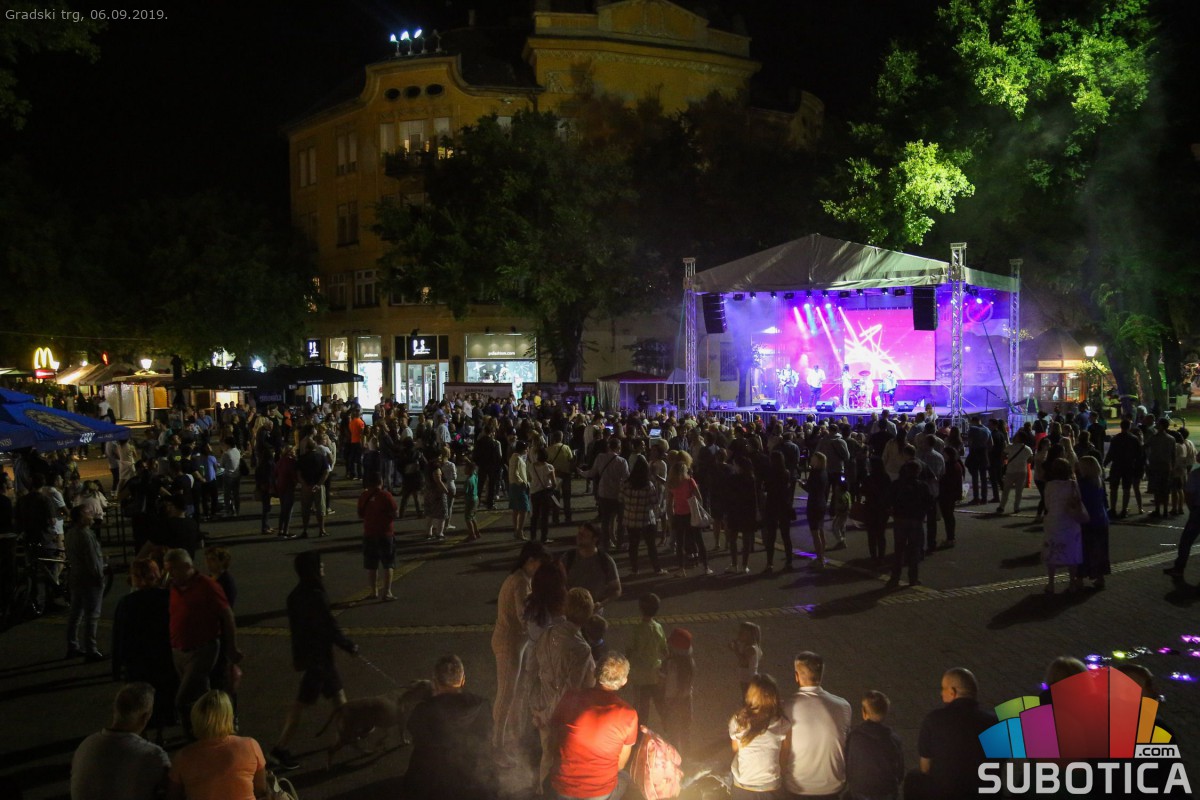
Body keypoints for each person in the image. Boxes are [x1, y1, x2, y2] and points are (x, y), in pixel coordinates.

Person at [272, 551, 358, 770]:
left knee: (339, 697)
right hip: (319, 660)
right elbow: (329, 626)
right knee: (301, 704)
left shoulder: (295, 595)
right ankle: (280, 748)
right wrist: (348, 645)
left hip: (312, 657)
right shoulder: (316, 595)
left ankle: (349, 733)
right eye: (320, 565)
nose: (323, 568)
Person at [163, 548, 241, 738]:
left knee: (182, 699)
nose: (169, 575)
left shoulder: (208, 586)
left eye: (173, 570)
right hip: (179, 650)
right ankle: (214, 728)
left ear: (186, 566)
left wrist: (231, 647)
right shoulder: (174, 586)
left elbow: (227, 615)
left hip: (202, 649)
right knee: (202, 694)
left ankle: (193, 736)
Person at [530, 587, 597, 791]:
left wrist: (538, 708)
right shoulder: (581, 649)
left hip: (543, 703)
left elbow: (533, 670)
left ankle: (543, 791)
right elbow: (572, 688)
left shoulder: (548, 633)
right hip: (565, 714)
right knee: (565, 762)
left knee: (547, 756)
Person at [404, 655, 497, 800]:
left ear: (435, 683)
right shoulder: (482, 704)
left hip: (433, 783)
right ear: (463, 680)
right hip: (472, 779)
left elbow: (415, 734)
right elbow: (487, 734)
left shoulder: (424, 710)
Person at [549, 653, 638, 800]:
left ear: (595, 672)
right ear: (624, 681)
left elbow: (553, 740)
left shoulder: (570, 697)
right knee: (626, 777)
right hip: (598, 792)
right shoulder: (628, 714)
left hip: (562, 786)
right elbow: (620, 765)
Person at [112, 559, 177, 742]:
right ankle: (160, 734)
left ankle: (143, 734)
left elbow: (119, 636)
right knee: (162, 696)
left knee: (139, 699)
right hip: (163, 657)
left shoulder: (127, 603)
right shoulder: (167, 598)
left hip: (137, 661)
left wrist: (117, 666)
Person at [70, 682, 170, 800]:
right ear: (145, 717)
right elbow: (175, 790)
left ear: (115, 710)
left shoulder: (86, 745)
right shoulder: (153, 754)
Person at [492, 541, 548, 747]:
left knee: (513, 692)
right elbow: (524, 616)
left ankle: (510, 735)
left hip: (514, 643)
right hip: (509, 643)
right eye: (540, 564)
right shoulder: (520, 582)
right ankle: (498, 741)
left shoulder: (521, 578)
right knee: (506, 692)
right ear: (531, 561)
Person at [167, 689, 267, 800]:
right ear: (229, 717)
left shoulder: (183, 757)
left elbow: (172, 796)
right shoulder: (250, 745)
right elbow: (261, 790)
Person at [914, 668, 997, 800]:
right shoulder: (995, 722)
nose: (941, 693)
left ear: (952, 692)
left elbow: (925, 768)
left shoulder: (933, 720)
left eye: (943, 688)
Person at [780, 651, 851, 800]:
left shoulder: (786, 707)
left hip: (797, 787)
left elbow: (783, 749)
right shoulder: (843, 706)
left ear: (797, 676)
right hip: (832, 788)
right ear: (821, 675)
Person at [729, 673, 788, 799]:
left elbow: (735, 750)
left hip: (743, 787)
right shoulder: (781, 723)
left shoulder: (738, 721)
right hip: (770, 787)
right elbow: (784, 756)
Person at [844, 691, 904, 800]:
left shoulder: (854, 736)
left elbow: (847, 764)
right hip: (886, 792)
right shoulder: (893, 739)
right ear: (886, 712)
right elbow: (900, 773)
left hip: (860, 792)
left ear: (864, 712)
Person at [65, 505, 106, 661]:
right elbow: (92, 560)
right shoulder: (86, 535)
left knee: (76, 613)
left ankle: (72, 646)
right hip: (89, 579)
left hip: (76, 576)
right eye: (88, 513)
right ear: (81, 518)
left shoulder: (70, 533)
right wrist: (100, 577)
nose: (92, 515)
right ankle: (91, 649)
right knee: (92, 615)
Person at [1042, 458, 1086, 594]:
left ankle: (1051, 583)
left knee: (1052, 550)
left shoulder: (1049, 485)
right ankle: (1072, 582)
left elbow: (1047, 504)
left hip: (1054, 521)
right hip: (1070, 520)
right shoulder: (1073, 484)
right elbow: (1078, 500)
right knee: (1072, 550)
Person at [886, 459, 932, 589]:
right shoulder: (922, 486)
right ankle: (913, 578)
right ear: (918, 472)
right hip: (915, 520)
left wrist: (893, 511)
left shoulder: (897, 484)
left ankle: (895, 577)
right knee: (914, 550)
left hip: (900, 519)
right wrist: (922, 513)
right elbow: (929, 503)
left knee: (899, 549)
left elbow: (889, 500)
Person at [626, 593, 667, 725]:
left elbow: (630, 649)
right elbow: (664, 649)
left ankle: (640, 731)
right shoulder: (658, 628)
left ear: (640, 609)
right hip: (655, 673)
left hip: (640, 675)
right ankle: (669, 726)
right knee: (660, 703)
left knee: (642, 706)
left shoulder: (637, 629)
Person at [621, 455, 665, 575]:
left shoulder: (626, 484)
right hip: (646, 518)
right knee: (651, 545)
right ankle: (657, 568)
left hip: (630, 518)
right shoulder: (648, 485)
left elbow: (621, 498)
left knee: (633, 545)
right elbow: (654, 502)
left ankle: (635, 569)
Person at [565, 522, 621, 615]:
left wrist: (601, 604)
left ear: (595, 539)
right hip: (570, 613)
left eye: (584, 535)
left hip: (593, 612)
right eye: (579, 533)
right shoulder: (568, 557)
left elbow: (616, 590)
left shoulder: (605, 561)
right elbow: (558, 583)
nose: (579, 537)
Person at [357, 471, 398, 599]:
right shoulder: (385, 495)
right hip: (385, 533)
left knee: (371, 565)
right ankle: (387, 592)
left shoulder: (364, 495)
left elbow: (360, 514)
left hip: (369, 533)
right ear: (381, 481)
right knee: (388, 563)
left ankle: (373, 591)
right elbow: (395, 513)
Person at [667, 459, 710, 577]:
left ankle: (681, 569)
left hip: (678, 515)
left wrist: (671, 517)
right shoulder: (690, 481)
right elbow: (699, 498)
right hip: (691, 514)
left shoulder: (672, 484)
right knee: (699, 541)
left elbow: (669, 504)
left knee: (680, 543)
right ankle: (706, 567)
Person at [1077, 455, 1110, 590]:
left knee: (1084, 549)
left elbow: (1079, 501)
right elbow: (1104, 501)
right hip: (1101, 519)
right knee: (1100, 550)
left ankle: (1080, 578)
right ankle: (1100, 577)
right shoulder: (1099, 481)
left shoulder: (1082, 483)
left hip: (1087, 520)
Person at [1164, 458, 1200, 580]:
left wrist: (1192, 508)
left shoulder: (1196, 474)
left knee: (1186, 541)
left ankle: (1179, 568)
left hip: (1198, 511)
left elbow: (1189, 493)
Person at [662, 627, 695, 758]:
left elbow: (662, 680)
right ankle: (687, 757)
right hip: (686, 700)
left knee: (673, 731)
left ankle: (674, 758)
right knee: (685, 730)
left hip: (672, 700)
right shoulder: (690, 662)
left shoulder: (670, 663)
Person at [297, 439, 331, 538]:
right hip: (318, 486)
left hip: (306, 486)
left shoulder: (302, 458)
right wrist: (319, 484)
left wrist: (304, 484)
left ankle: (305, 530)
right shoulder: (321, 457)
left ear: (306, 448)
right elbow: (326, 472)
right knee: (320, 509)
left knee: (305, 509)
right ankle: (322, 530)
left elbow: (298, 474)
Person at [804, 452, 829, 571]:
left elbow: (810, 488)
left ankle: (819, 559)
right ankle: (822, 555)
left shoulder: (814, 472)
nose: (811, 459)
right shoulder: (824, 472)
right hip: (822, 502)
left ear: (817, 460)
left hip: (814, 504)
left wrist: (801, 484)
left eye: (813, 458)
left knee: (815, 533)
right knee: (821, 530)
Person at [731, 621, 762, 699]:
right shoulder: (746, 646)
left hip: (749, 680)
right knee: (745, 697)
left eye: (742, 633)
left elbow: (744, 661)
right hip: (745, 678)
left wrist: (735, 650)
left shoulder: (751, 649)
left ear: (749, 635)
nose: (739, 634)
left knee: (748, 699)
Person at [509, 440, 532, 540]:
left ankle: (516, 530)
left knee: (516, 509)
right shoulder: (517, 458)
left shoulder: (514, 457)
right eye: (527, 448)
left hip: (513, 485)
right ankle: (520, 531)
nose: (527, 450)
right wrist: (522, 482)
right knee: (524, 509)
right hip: (518, 486)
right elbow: (515, 473)